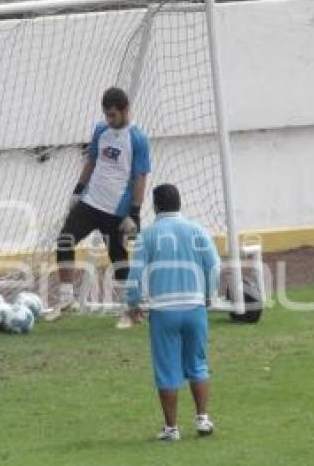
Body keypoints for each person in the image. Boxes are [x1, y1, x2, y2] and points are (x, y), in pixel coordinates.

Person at [125, 184, 220, 441]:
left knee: (167, 370)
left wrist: (134, 303)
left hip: (164, 311)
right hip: (195, 308)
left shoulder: (149, 235)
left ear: (155, 206)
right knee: (198, 364)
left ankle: (171, 429)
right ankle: (202, 419)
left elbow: (136, 274)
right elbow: (214, 266)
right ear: (180, 203)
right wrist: (209, 296)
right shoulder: (197, 230)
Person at [55, 87, 150, 314]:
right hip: (90, 203)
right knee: (64, 241)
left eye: (113, 115)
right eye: (106, 114)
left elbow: (141, 177)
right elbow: (91, 161)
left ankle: (130, 304)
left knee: (118, 259)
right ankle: (67, 297)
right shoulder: (101, 130)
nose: (109, 119)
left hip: (116, 211)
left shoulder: (137, 139)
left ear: (126, 110)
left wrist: (134, 213)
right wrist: (78, 191)